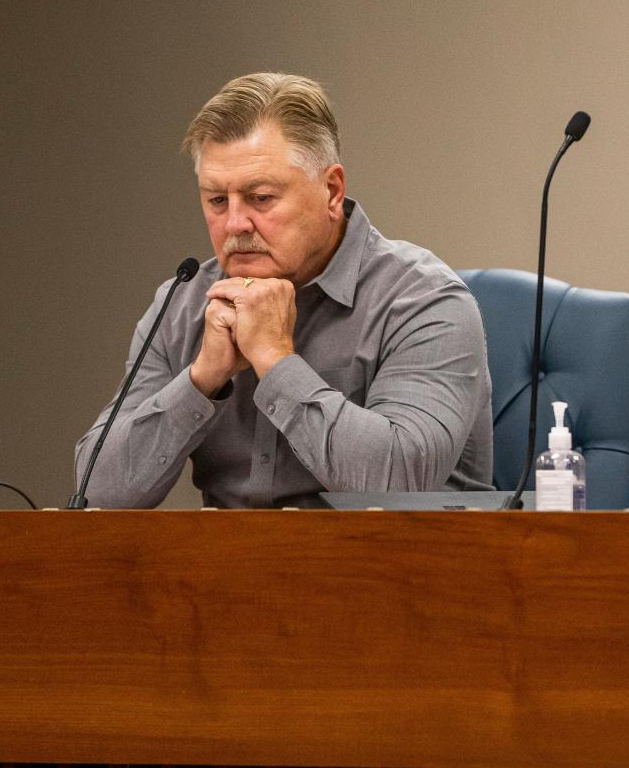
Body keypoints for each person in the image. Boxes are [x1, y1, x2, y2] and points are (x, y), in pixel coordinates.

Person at [75, 73, 493, 508]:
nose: (235, 223)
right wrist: (201, 380)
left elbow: (400, 481)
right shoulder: (182, 304)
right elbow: (96, 495)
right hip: (228, 570)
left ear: (331, 191)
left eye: (260, 198)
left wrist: (276, 361)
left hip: (395, 567)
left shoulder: (425, 301)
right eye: (217, 201)